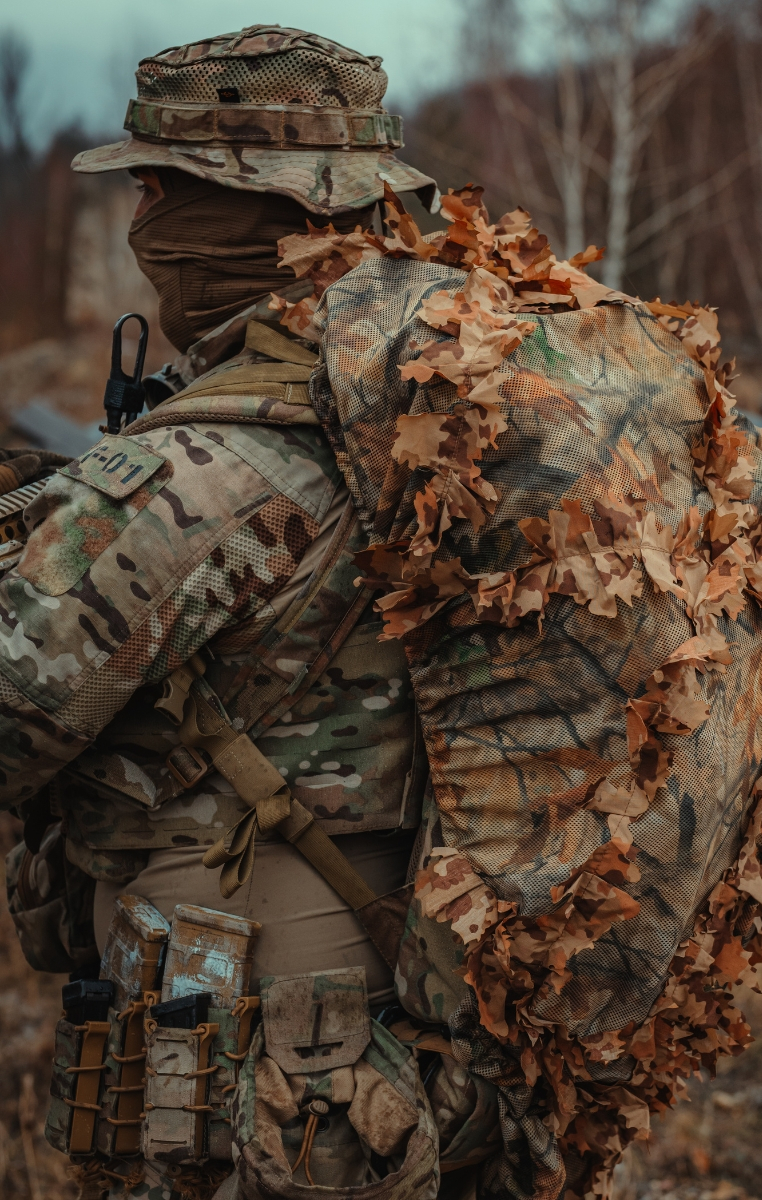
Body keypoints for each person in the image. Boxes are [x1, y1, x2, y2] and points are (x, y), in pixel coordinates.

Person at [1, 26, 451, 1200]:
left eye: (157, 188)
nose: (143, 223)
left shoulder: (211, 464)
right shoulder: (416, 397)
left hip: (249, 1013)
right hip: (381, 975)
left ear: (242, 209)